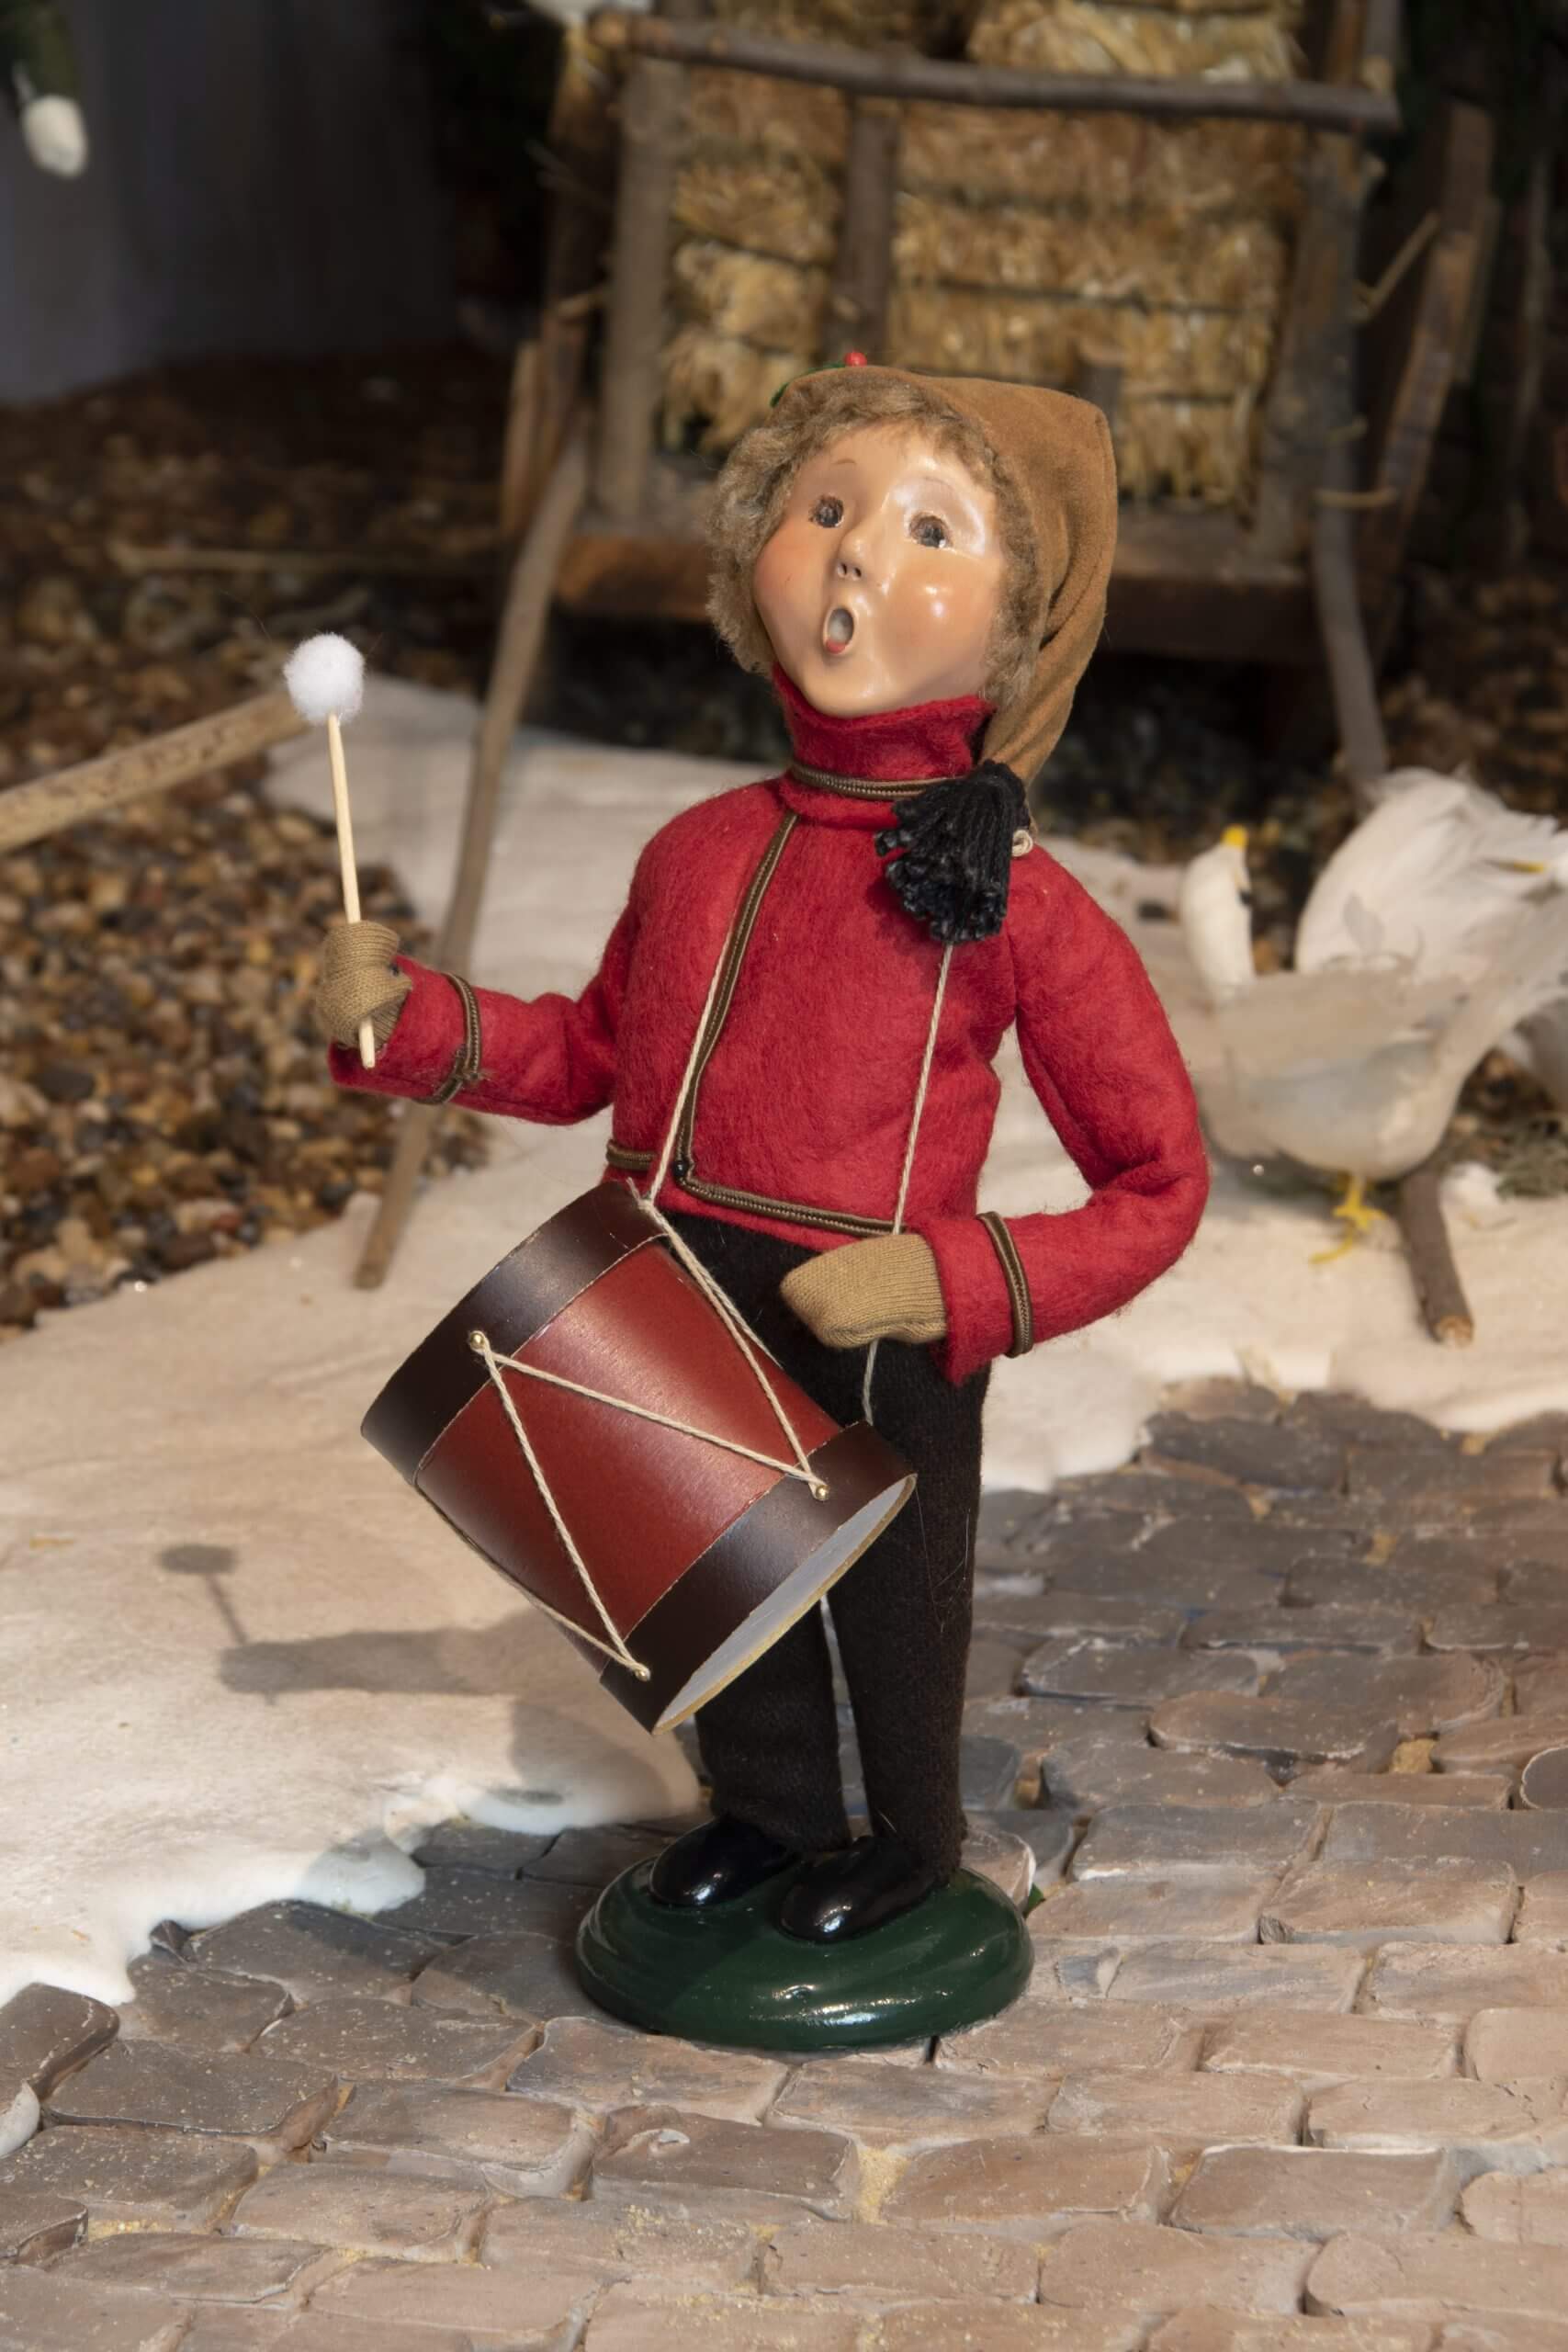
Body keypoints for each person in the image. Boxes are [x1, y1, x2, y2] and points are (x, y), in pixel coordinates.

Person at [313, 361, 1210, 1945]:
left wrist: (955, 1281)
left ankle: (913, 1846)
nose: (859, 549)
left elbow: (1159, 1182)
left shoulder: (1014, 899)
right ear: (753, 555)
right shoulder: (698, 851)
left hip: (880, 1319)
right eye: (827, 506)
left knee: (896, 1604)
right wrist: (410, 1022)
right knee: (710, 1575)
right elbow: (592, 1054)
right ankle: (771, 1812)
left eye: (932, 529)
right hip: (672, 1285)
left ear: (1025, 624)